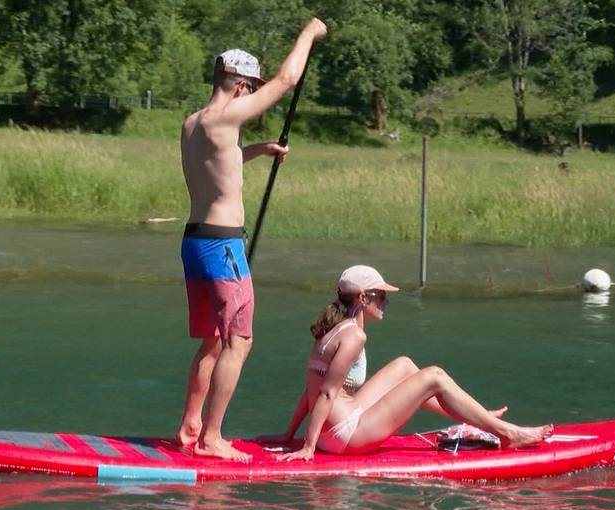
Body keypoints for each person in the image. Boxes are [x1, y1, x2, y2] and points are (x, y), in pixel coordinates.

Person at [177, 18, 328, 462]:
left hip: (194, 240)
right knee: (238, 342)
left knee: (211, 340)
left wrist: (258, 150)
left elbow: (218, 162)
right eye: (251, 88)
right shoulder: (230, 114)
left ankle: (190, 424)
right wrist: (309, 33)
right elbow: (287, 79)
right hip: (223, 245)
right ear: (241, 86)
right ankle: (212, 439)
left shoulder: (193, 123)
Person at [272, 265, 553, 461]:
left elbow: (311, 388)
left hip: (330, 430)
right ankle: (508, 433)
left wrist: (290, 434)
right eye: (381, 297)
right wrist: (308, 447)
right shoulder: (354, 336)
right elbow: (325, 392)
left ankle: (478, 417)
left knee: (405, 366)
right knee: (434, 376)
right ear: (362, 297)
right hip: (344, 437)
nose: (386, 303)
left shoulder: (333, 329)